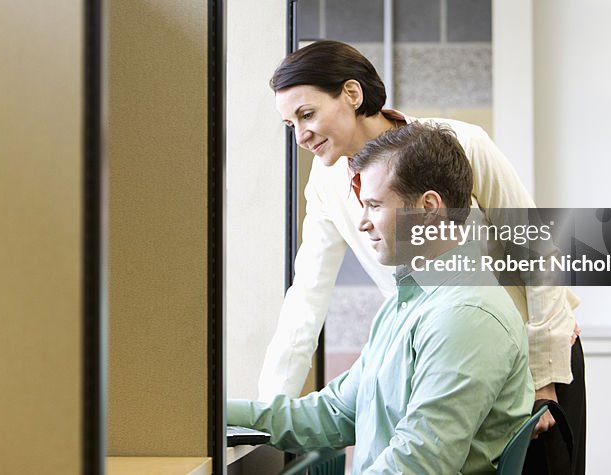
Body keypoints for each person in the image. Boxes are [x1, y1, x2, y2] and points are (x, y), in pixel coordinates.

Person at [259, 40, 584, 474]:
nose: (301, 136)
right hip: (442, 353)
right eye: (289, 124)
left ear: (352, 95)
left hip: (531, 354)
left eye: (307, 114)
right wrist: (265, 411)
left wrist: (544, 382)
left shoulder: (461, 143)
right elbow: (306, 298)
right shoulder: (326, 183)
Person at [229, 123, 534, 473]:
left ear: (429, 207)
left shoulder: (465, 315)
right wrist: (213, 413)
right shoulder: (410, 300)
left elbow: (417, 463)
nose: (363, 223)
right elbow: (333, 413)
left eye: (374, 205)